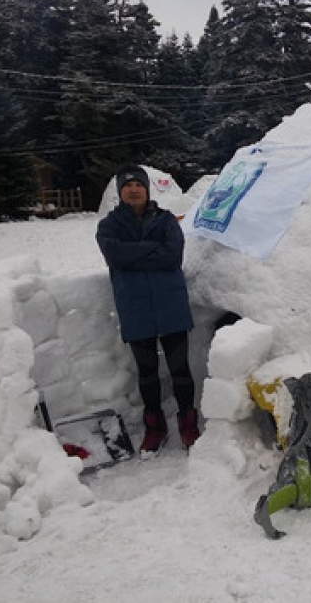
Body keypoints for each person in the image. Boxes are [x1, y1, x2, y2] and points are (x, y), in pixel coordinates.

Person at [96, 163, 200, 456]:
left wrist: (133, 255)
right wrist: (151, 249)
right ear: (120, 192)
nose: (133, 189)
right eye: (127, 186)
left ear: (146, 189)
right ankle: (155, 428)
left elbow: (172, 256)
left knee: (180, 370)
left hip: (171, 305)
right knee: (147, 373)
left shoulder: (167, 220)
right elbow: (114, 255)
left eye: (138, 185)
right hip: (135, 308)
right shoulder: (109, 226)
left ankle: (187, 424)